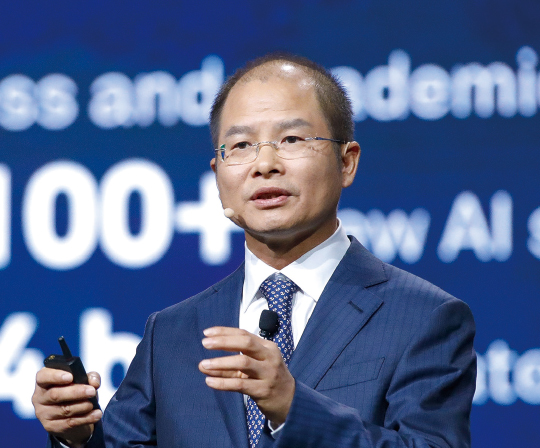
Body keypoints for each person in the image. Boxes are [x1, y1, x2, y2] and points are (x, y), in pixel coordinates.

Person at [32, 53, 476, 448]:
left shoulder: (425, 318)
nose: (265, 164)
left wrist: (292, 408)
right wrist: (78, 438)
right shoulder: (171, 333)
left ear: (347, 162)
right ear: (217, 172)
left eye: (292, 139)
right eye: (241, 145)